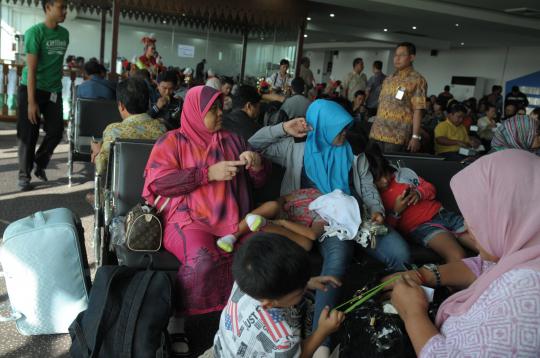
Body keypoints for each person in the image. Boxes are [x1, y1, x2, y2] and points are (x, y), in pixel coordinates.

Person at [249, 100, 410, 355]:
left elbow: (367, 188)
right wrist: (284, 127)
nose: (344, 134)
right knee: (337, 258)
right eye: (339, 129)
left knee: (401, 254)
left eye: (345, 128)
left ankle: (377, 302)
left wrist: (377, 210)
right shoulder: (296, 149)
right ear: (323, 127)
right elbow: (254, 143)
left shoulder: (354, 154)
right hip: (320, 220)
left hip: (355, 215)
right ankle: (321, 342)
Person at [142, 85, 267, 354]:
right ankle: (178, 319)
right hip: (187, 218)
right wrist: (206, 174)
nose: (220, 114)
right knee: (201, 258)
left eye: (221, 108)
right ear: (196, 113)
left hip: (233, 219)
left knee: (259, 253)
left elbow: (258, 179)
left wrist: (254, 162)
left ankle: (242, 317)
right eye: (213, 110)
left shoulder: (233, 141)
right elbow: (160, 183)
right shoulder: (172, 141)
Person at [388, 149, 540, 357]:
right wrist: (426, 275)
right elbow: (485, 267)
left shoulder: (527, 299)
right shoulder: (526, 250)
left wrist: (412, 313)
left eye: (478, 215)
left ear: (510, 216)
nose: (467, 225)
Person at [212, 233, 345, 358]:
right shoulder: (282, 336)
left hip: (224, 348)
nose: (304, 288)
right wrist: (322, 331)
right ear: (269, 304)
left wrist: (305, 282)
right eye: (299, 291)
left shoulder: (244, 284)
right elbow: (301, 355)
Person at [365, 144, 476, 263]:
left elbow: (430, 188)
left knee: (487, 246)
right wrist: (397, 211)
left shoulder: (402, 175)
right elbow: (388, 230)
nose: (385, 180)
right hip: (423, 228)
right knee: (458, 256)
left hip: (443, 214)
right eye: (377, 179)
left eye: (384, 173)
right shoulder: (373, 199)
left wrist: (419, 193)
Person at [17, 0, 69, 191]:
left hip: (53, 91)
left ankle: (40, 161)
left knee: (56, 132)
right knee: (28, 133)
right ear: (48, 7)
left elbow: (55, 62)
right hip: (32, 88)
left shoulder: (65, 34)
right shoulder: (35, 33)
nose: (65, 11)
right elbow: (31, 69)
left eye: (65, 7)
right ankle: (24, 176)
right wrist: (31, 101)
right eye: (61, 7)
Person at [91, 77, 167, 175]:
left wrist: (97, 152)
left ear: (121, 105)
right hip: (152, 187)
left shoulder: (113, 131)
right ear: (148, 103)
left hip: (122, 189)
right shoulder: (161, 129)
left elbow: (101, 169)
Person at [217, 187, 326, 252]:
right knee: (273, 205)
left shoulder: (325, 215)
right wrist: (280, 211)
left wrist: (283, 223)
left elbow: (312, 235)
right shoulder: (312, 193)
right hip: (279, 214)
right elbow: (282, 199)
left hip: (291, 230)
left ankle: (263, 223)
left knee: (307, 244)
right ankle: (232, 236)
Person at [369, 42, 427, 153]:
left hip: (397, 137)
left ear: (411, 57)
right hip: (376, 133)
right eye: (396, 55)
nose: (397, 58)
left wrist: (415, 137)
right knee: (372, 167)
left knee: (392, 169)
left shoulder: (417, 80)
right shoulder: (388, 79)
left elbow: (418, 110)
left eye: (402, 55)